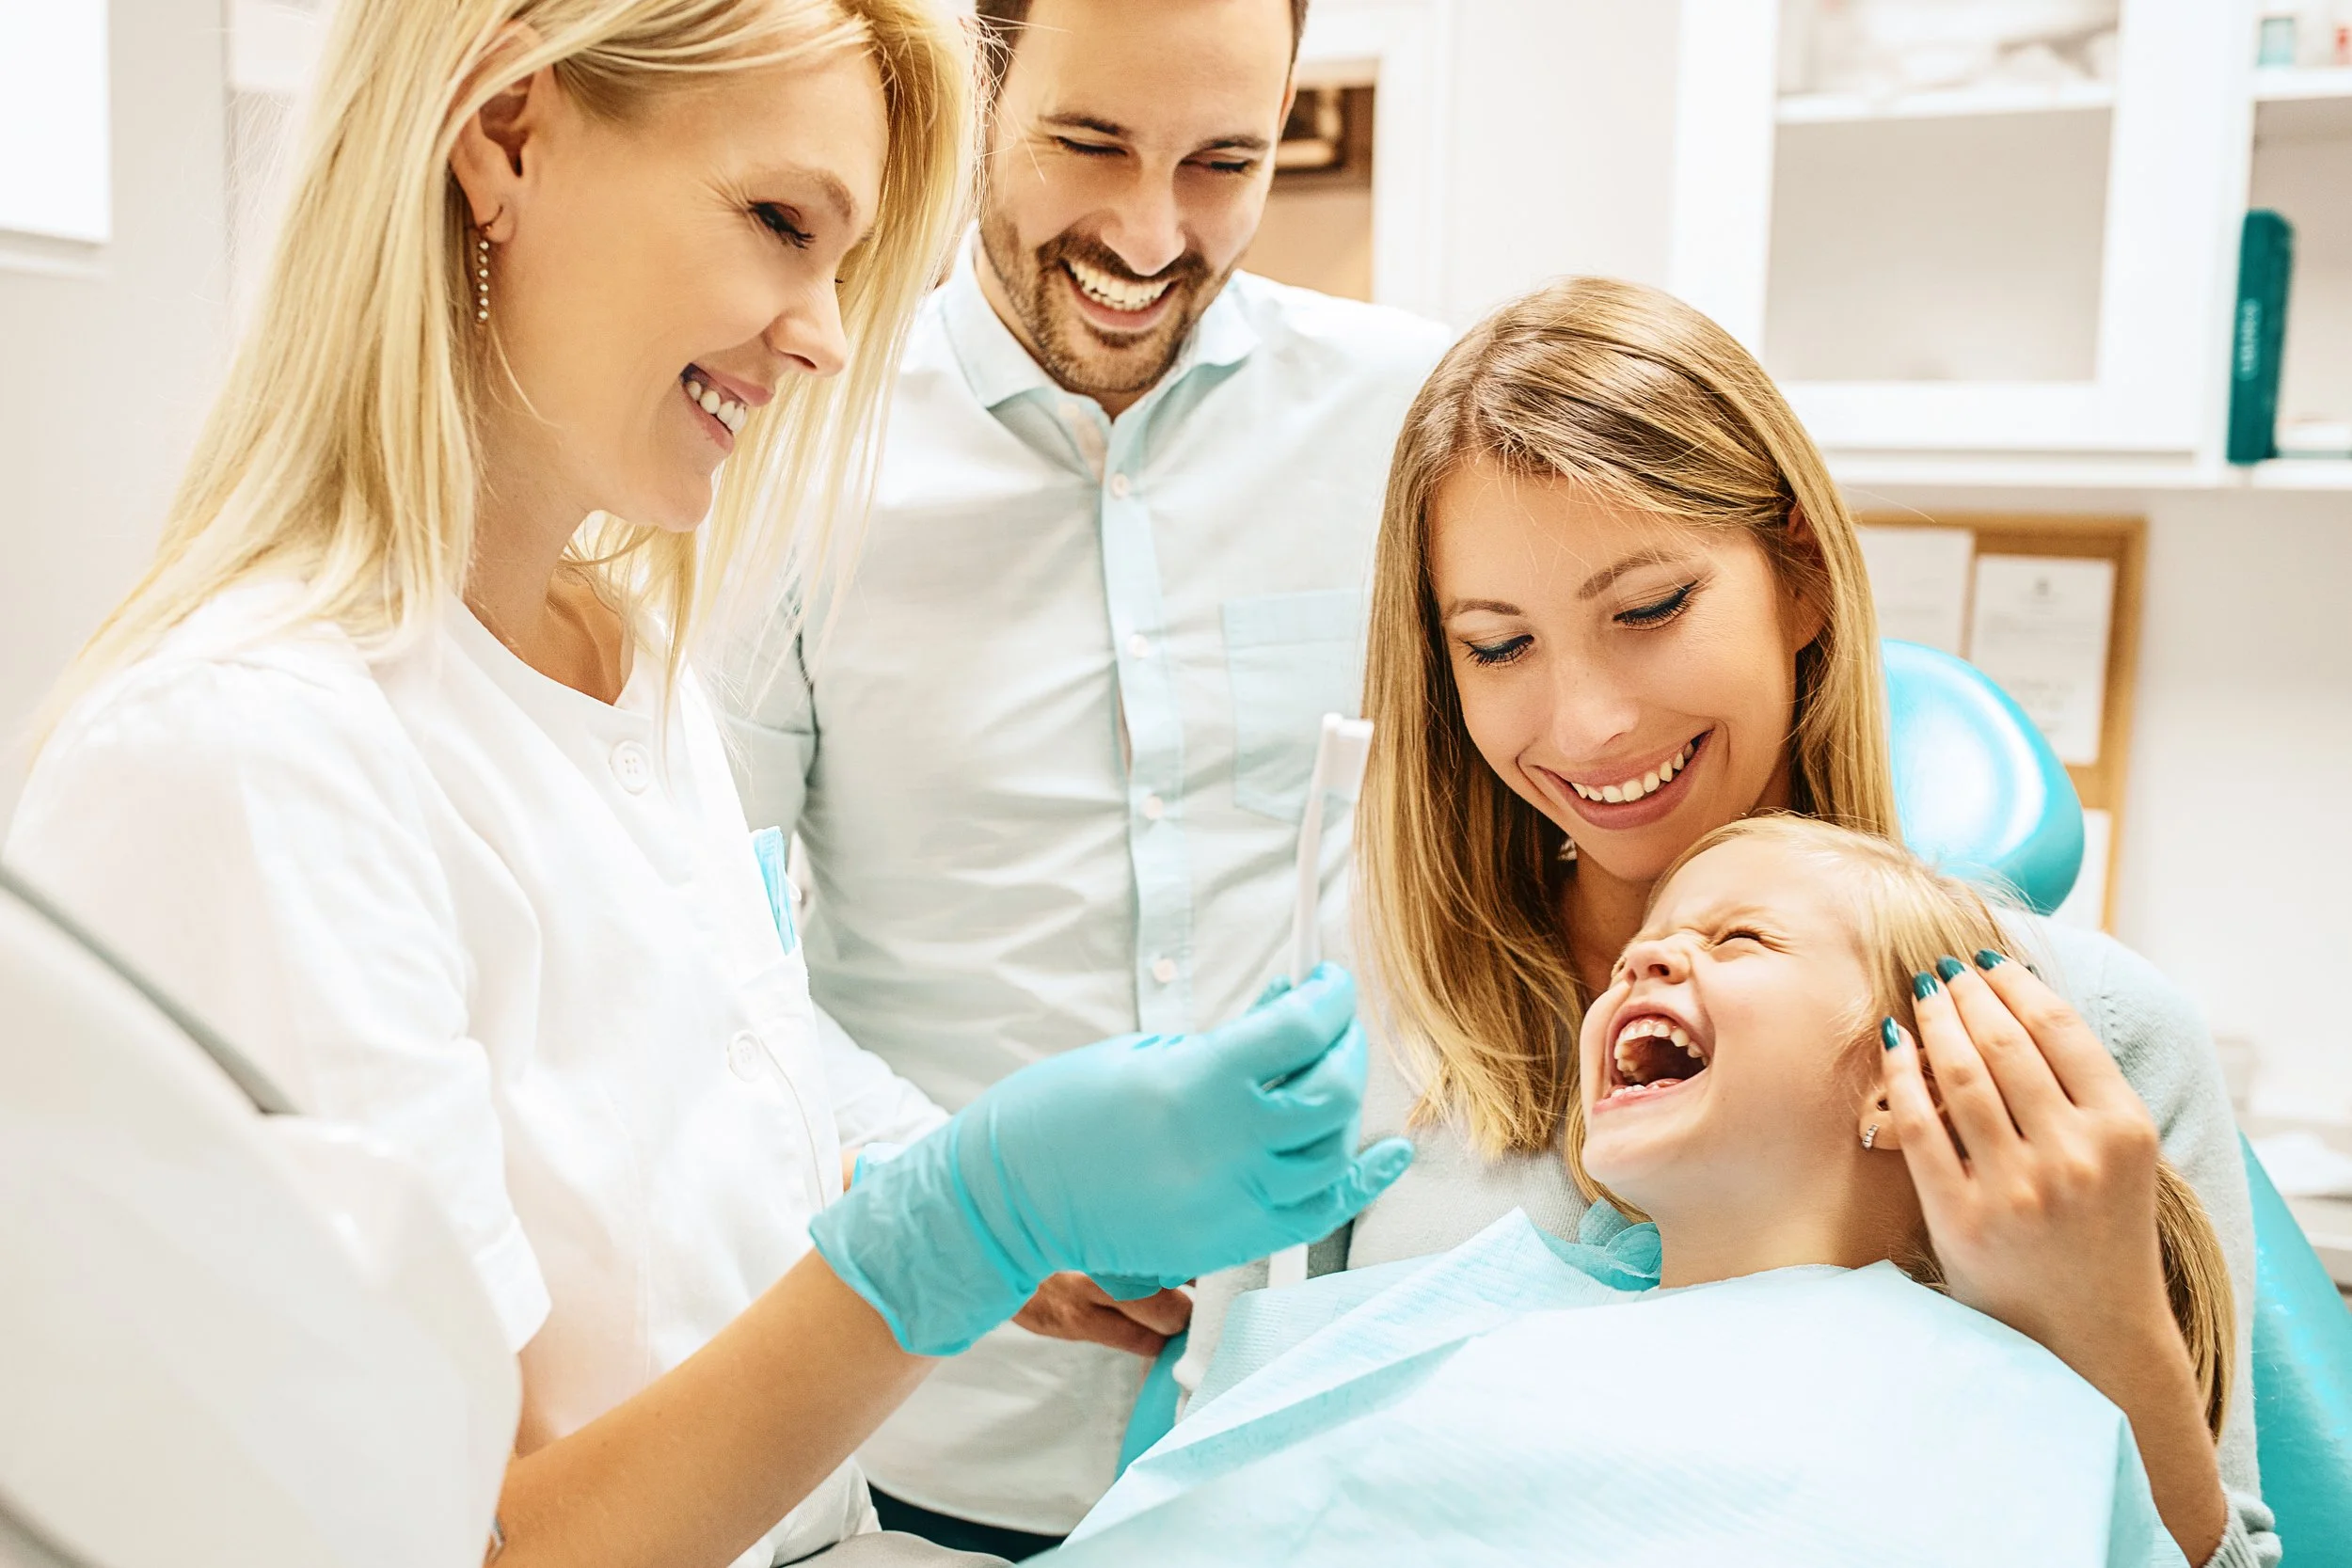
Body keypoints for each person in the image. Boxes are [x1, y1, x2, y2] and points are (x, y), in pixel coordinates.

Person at [0, 5, 1409, 1566]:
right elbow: (470, 1539)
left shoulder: (616, 650)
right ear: (509, 136)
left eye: (843, 260)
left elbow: (705, 1096)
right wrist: (960, 1228)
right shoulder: (247, 761)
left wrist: (995, 1197)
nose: (823, 332)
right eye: (778, 224)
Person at [1339, 277, 2278, 1566]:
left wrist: (2104, 1321)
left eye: (1649, 608)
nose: (1591, 721)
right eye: (1500, 645)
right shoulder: (1363, 1018)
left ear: (1798, 575)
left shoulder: (2080, 1035)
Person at [721, 0, 1452, 1549]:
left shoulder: (1413, 424)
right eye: (1090, 142)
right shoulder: (794, 442)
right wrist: (977, 1201)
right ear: (984, 87)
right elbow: (708, 957)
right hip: (946, 1435)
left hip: (1330, 1428)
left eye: (1222, 162)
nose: (1147, 227)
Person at [1053, 817, 2236, 1566]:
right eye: (1644, 949)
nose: (1644, 958)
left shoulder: (2019, 1400)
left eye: (1741, 940)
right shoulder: (1482, 1313)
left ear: (1913, 1074)